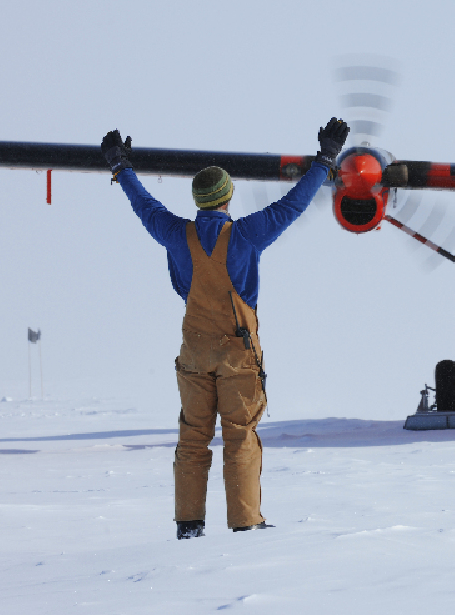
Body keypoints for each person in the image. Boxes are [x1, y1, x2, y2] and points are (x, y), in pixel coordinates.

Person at [101, 118, 350, 539]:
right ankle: (245, 523)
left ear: (199, 200)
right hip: (237, 355)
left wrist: (121, 167)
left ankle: (189, 525)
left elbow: (144, 205)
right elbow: (293, 205)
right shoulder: (247, 235)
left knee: (193, 439)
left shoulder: (176, 234)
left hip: (194, 354)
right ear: (227, 197)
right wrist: (325, 159)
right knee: (239, 437)